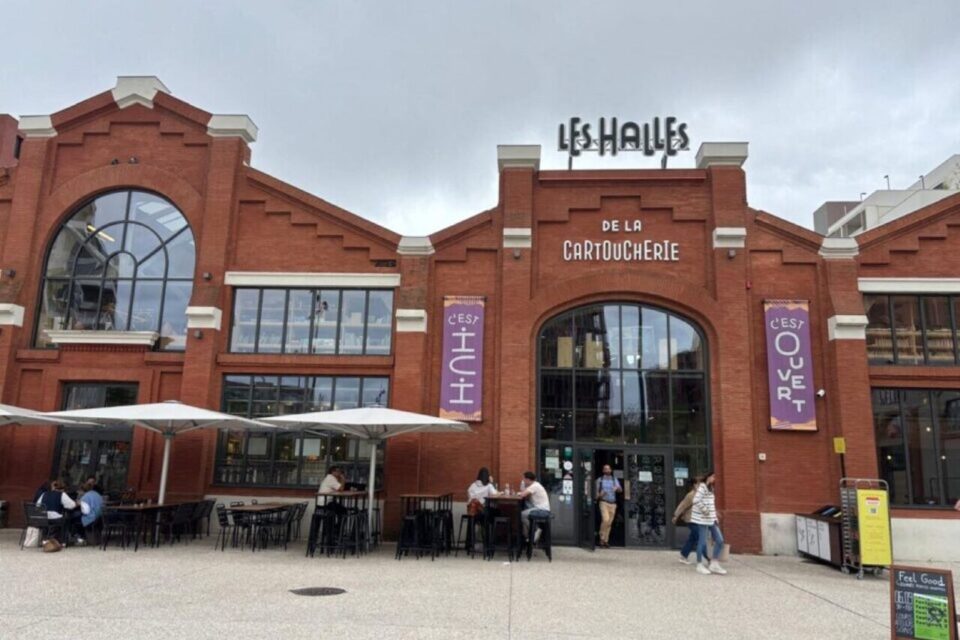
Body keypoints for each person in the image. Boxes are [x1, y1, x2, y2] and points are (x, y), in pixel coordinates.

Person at [691, 471, 726, 575]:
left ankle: (714, 563)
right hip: (702, 519)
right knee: (702, 542)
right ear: (709, 477)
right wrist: (705, 510)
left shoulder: (710, 488)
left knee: (720, 540)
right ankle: (699, 564)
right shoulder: (702, 487)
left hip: (711, 519)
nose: (714, 479)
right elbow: (696, 500)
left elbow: (711, 504)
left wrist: (714, 516)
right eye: (713, 477)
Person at [36, 479, 85, 545]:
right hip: (55, 519)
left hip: (44, 518)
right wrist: (78, 503)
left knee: (61, 519)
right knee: (67, 519)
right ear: (62, 488)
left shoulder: (44, 494)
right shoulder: (61, 494)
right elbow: (71, 505)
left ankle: (46, 538)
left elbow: (37, 505)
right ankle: (63, 541)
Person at [672, 479, 706, 564]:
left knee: (693, 538)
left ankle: (683, 556)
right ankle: (709, 559)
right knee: (700, 537)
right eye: (699, 485)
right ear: (695, 485)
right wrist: (676, 515)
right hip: (690, 519)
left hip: (698, 519)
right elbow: (683, 505)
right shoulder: (690, 495)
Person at [517, 471, 551, 539]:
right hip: (540, 508)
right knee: (526, 506)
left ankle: (535, 530)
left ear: (528, 480)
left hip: (541, 510)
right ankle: (528, 537)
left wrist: (522, 486)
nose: (523, 481)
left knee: (522, 514)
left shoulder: (534, 486)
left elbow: (523, 494)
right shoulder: (535, 485)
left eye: (524, 479)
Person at [595, 464, 622, 548]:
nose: (607, 470)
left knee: (609, 523)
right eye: (605, 469)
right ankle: (601, 538)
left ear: (611, 470)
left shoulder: (614, 479)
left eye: (608, 469)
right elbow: (595, 496)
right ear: (603, 471)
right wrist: (600, 494)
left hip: (613, 504)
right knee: (605, 519)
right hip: (604, 502)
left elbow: (620, 490)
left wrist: (617, 489)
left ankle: (605, 541)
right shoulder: (599, 480)